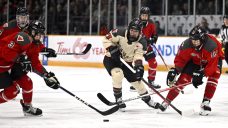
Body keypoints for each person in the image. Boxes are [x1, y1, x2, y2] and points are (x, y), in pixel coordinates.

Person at [158, 25, 224, 116]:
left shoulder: (211, 46)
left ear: (203, 38)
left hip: (213, 61)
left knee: (215, 73)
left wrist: (202, 73)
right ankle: (166, 101)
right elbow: (181, 59)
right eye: (192, 40)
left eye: (196, 40)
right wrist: (175, 70)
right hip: (195, 61)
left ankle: (206, 102)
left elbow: (212, 66)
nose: (194, 43)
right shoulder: (186, 44)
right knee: (183, 79)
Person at [0, 20, 60, 116]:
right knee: (12, 91)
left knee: (27, 83)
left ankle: (27, 107)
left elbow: (35, 63)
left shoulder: (34, 43)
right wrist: (20, 58)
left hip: (10, 66)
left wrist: (46, 75)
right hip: (1, 67)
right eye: (38, 34)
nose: (39, 37)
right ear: (32, 32)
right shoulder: (22, 37)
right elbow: (5, 52)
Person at [102, 18, 160, 111]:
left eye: (135, 31)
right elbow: (105, 38)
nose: (133, 33)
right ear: (128, 29)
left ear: (140, 32)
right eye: (131, 30)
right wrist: (112, 48)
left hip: (126, 63)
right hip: (111, 59)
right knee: (118, 74)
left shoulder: (142, 41)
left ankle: (148, 100)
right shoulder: (119, 32)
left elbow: (138, 56)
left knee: (138, 82)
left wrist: (139, 67)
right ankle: (118, 99)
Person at [130, 7, 160, 91]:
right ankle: (136, 83)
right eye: (142, 15)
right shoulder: (135, 23)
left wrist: (153, 40)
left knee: (153, 63)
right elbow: (130, 34)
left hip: (147, 47)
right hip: (137, 47)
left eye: (146, 16)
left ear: (148, 16)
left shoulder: (151, 24)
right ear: (140, 15)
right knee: (137, 65)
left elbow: (155, 35)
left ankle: (151, 81)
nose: (144, 17)